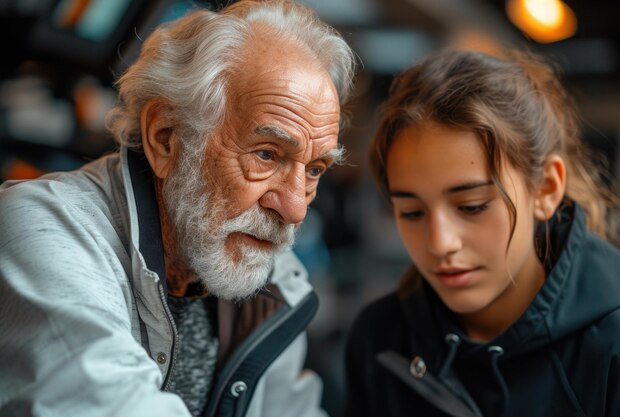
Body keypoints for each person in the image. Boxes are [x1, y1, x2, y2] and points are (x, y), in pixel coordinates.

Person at [0, 1, 356, 416]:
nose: (295, 208)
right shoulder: (44, 230)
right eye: (266, 154)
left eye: (314, 169)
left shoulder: (274, 283)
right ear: (166, 137)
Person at [344, 48, 620, 417]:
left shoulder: (615, 345)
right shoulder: (379, 339)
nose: (440, 243)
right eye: (411, 212)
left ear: (545, 189)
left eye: (472, 206)